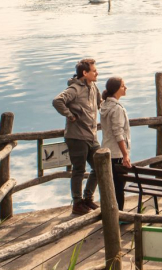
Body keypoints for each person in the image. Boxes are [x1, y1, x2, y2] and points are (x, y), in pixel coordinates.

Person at [53, 58, 102, 215]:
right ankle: (77, 203)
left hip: (92, 136)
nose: (97, 73)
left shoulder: (94, 87)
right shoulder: (74, 89)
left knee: (100, 167)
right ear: (85, 73)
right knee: (79, 170)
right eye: (94, 71)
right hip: (76, 137)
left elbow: (100, 103)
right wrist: (70, 115)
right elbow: (57, 101)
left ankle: (88, 199)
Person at [99, 76, 131, 211]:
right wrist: (125, 155)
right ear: (117, 89)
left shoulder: (104, 105)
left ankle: (110, 213)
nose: (125, 88)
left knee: (111, 186)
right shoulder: (117, 108)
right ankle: (120, 216)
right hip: (117, 153)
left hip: (107, 150)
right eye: (123, 86)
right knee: (119, 187)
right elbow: (118, 133)